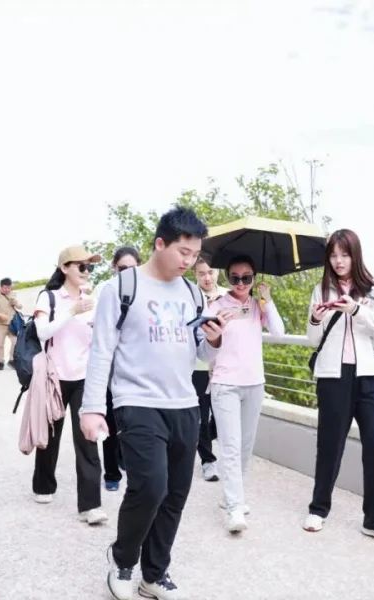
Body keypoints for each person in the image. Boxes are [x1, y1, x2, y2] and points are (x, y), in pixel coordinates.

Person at [79, 206, 228, 600]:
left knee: (176, 494)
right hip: (137, 400)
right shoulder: (122, 287)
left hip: (185, 404)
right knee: (150, 487)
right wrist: (91, 409)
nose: (189, 261)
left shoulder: (192, 292)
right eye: (183, 251)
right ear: (160, 243)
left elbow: (201, 352)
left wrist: (214, 339)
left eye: (195, 254)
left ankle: (154, 574)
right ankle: (122, 559)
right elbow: (101, 350)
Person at [302, 228, 374, 545]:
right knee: (329, 446)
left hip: (371, 377)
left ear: (355, 255)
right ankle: (318, 509)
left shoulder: (373, 289)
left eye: (344, 254)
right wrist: (316, 319)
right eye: (333, 255)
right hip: (333, 376)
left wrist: (356, 309)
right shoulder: (321, 290)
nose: (338, 261)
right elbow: (313, 340)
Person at [203, 256, 284, 533]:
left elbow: (278, 332)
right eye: (235, 278)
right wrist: (217, 328)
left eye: (246, 278)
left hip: (254, 384)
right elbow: (205, 348)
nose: (240, 283)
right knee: (230, 446)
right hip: (225, 383)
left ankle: (232, 496)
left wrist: (267, 301)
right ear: (227, 278)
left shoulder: (257, 306)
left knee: (246, 446)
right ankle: (235, 507)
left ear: (254, 278)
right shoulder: (216, 305)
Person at [31, 245, 109, 525]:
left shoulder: (91, 299)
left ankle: (90, 505)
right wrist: (72, 311)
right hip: (54, 376)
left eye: (90, 267)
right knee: (50, 434)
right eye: (82, 266)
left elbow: (100, 336)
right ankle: (43, 484)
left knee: (87, 438)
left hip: (84, 378)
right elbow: (43, 333)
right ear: (65, 268)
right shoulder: (49, 297)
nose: (87, 271)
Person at [94, 246, 142, 492]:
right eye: (123, 268)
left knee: (133, 424)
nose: (127, 273)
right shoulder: (105, 290)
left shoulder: (144, 290)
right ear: (114, 267)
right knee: (110, 424)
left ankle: (126, 461)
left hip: (136, 369)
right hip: (111, 369)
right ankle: (111, 473)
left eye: (132, 269)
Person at [191, 254, 227, 482]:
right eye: (202, 273)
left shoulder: (228, 295)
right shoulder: (189, 296)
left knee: (222, 416)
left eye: (211, 272)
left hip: (225, 365)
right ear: (195, 274)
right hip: (199, 365)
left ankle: (202, 442)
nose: (207, 277)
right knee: (202, 416)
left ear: (218, 272)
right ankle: (208, 460)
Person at [0, 277, 23, 371]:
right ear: (1, 287)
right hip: (0, 324)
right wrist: (0, 315)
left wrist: (15, 303)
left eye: (9, 288)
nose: (7, 290)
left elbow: (20, 306)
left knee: (16, 342)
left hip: (12, 324)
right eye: (5, 288)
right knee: (0, 344)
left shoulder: (13, 294)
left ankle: (11, 360)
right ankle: (1, 362)